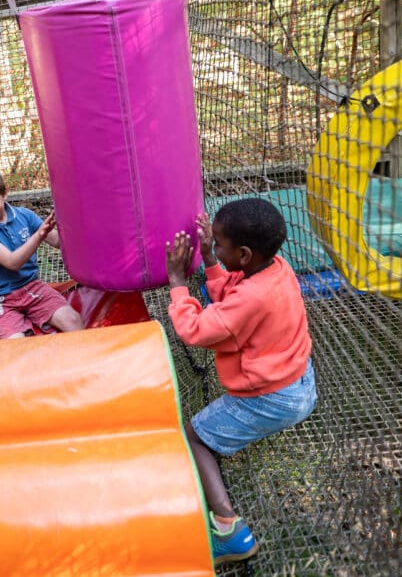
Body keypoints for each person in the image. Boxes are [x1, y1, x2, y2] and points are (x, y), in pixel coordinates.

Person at [164, 197, 317, 566]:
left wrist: (177, 283)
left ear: (245, 254)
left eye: (218, 244)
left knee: (192, 437)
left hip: (271, 398)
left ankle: (230, 530)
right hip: (300, 381)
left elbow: (196, 329)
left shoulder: (250, 297)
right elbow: (235, 299)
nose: (212, 247)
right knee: (211, 432)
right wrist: (213, 262)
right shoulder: (277, 269)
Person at [0, 161, 84, 339]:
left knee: (73, 320)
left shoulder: (24, 215)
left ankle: (80, 361)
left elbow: (58, 241)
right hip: (1, 298)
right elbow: (13, 262)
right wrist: (38, 235)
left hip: (32, 287)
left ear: (5, 193)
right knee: (16, 343)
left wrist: (75, 220)